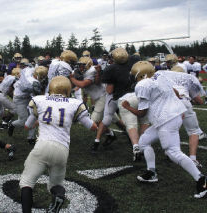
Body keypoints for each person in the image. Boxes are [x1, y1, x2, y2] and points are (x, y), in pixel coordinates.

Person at [122, 61, 207, 199]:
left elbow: (142, 113)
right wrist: (177, 106)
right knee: (143, 142)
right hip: (168, 116)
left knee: (172, 151)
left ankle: (201, 179)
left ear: (141, 75)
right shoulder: (160, 75)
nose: (132, 77)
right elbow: (176, 92)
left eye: (134, 75)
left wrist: (128, 107)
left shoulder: (142, 85)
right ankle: (151, 173)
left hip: (166, 119)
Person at [19, 76, 97, 212]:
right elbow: (92, 127)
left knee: (27, 182)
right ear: (68, 89)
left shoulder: (39, 100)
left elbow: (27, 126)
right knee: (55, 185)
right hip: (62, 149)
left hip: (42, 146)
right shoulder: (74, 103)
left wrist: (40, 120)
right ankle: (59, 195)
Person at [92, 47, 134, 151]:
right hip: (129, 97)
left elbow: (109, 90)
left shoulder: (111, 68)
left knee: (106, 118)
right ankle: (135, 144)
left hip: (114, 97)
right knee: (131, 121)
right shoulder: (132, 65)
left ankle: (96, 142)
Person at [8, 66, 48, 144]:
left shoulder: (30, 71)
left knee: (33, 116)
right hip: (19, 99)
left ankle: (31, 138)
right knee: (23, 121)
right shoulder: (33, 83)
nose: (43, 78)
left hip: (28, 96)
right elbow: (37, 96)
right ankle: (12, 124)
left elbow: (27, 69)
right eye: (42, 76)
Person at [69, 57, 106, 124]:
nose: (80, 67)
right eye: (79, 65)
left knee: (93, 121)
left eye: (82, 65)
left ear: (87, 65)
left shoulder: (91, 71)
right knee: (113, 118)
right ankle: (110, 132)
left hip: (101, 97)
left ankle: (100, 134)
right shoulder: (84, 71)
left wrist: (72, 79)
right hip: (98, 97)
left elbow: (83, 84)